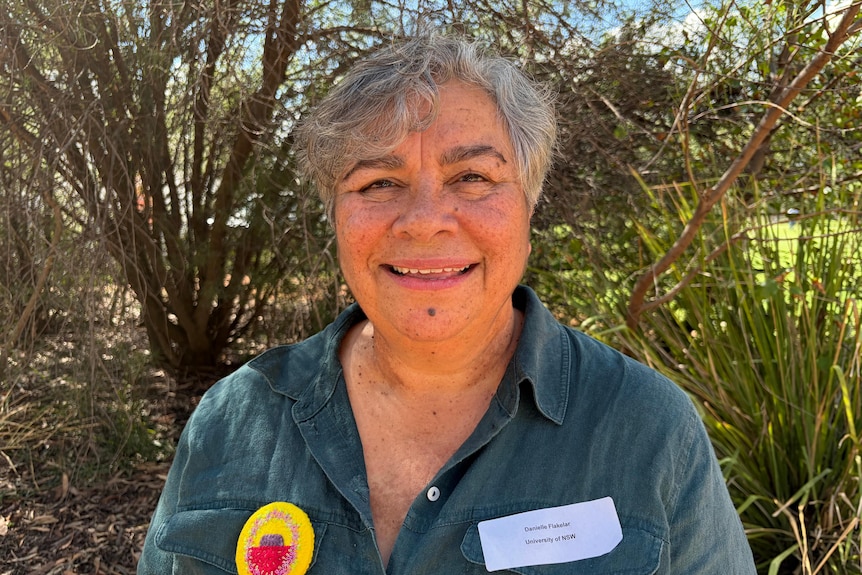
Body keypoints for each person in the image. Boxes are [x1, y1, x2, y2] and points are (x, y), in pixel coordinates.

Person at [138, 33, 756, 574]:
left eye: (472, 178)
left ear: (528, 206)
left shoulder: (649, 433)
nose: (425, 221)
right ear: (335, 216)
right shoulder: (231, 423)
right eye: (379, 183)